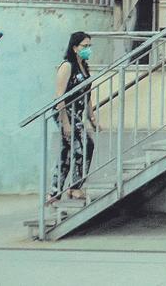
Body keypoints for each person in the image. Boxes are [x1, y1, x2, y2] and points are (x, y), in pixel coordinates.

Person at [49, 32, 95, 203]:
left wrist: (92, 116)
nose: (88, 49)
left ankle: (54, 192)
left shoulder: (85, 67)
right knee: (85, 145)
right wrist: (65, 123)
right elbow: (59, 96)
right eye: (85, 46)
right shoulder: (67, 66)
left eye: (90, 46)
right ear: (75, 48)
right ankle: (75, 187)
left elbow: (87, 94)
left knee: (67, 151)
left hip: (77, 113)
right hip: (64, 112)